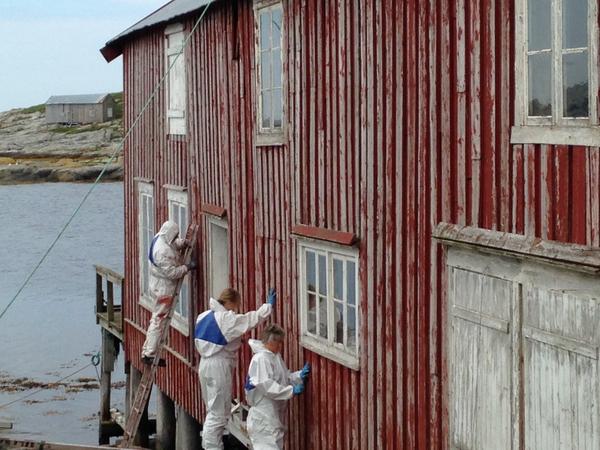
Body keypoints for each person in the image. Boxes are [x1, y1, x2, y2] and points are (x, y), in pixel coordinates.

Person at [195, 287, 276, 450]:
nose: (236, 309)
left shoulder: (204, 316)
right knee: (219, 413)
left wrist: (236, 339)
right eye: (236, 305)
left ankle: (209, 445)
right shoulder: (225, 318)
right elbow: (250, 319)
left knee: (212, 409)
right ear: (230, 302)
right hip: (219, 365)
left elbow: (221, 337)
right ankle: (212, 447)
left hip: (205, 364)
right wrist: (267, 307)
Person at [244, 324, 311, 450]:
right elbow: (267, 386)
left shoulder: (274, 356)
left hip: (272, 413)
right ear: (271, 341)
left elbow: (283, 378)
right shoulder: (261, 359)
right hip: (262, 414)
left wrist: (298, 376)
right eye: (279, 342)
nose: (281, 346)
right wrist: (291, 391)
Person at [141, 220, 196, 366]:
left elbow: (172, 243)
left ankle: (147, 350)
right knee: (159, 320)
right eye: (175, 234)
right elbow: (172, 273)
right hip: (164, 289)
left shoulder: (160, 237)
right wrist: (187, 267)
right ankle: (150, 353)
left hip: (157, 284)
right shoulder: (162, 252)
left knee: (156, 319)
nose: (176, 236)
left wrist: (182, 243)